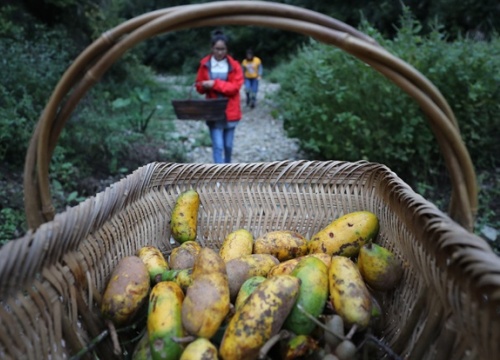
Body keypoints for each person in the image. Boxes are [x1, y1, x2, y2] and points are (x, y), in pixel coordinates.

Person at [195, 30, 244, 164]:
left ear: (227, 49)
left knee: (228, 146)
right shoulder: (204, 65)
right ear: (212, 48)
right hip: (213, 110)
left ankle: (227, 171)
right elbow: (198, 86)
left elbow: (234, 88)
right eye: (217, 49)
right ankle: (219, 174)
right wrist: (202, 86)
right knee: (218, 146)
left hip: (231, 110)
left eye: (223, 49)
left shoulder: (234, 66)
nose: (220, 52)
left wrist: (214, 84)